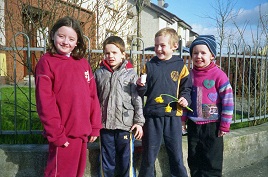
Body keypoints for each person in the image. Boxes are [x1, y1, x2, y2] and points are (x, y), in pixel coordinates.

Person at [35, 16, 102, 177]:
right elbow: (45, 103)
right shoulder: (47, 62)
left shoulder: (83, 63)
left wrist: (94, 126)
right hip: (63, 135)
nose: (66, 42)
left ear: (77, 41)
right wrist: (57, 134)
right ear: (52, 35)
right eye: (61, 36)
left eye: (71, 39)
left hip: (82, 133)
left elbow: (92, 96)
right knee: (59, 173)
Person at [136, 27, 192, 177]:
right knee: (148, 155)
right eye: (156, 46)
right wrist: (140, 86)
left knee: (176, 155)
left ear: (174, 46)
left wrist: (185, 99)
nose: (158, 49)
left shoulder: (181, 66)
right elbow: (143, 91)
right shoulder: (149, 66)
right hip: (152, 116)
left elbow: (187, 89)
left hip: (173, 116)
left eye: (162, 45)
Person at [182, 35, 234, 177]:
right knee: (194, 159)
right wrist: (183, 119)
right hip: (193, 125)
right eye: (195, 53)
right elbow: (186, 99)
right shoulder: (189, 75)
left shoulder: (219, 75)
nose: (198, 56)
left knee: (212, 161)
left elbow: (228, 101)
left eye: (203, 53)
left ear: (212, 55)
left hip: (213, 127)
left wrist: (225, 125)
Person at [94, 36, 145, 177]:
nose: (110, 56)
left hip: (125, 126)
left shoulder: (131, 74)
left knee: (126, 161)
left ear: (123, 54)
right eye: (107, 53)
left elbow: (137, 99)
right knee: (106, 161)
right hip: (105, 126)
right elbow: (94, 99)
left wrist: (139, 123)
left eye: (114, 52)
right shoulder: (99, 73)